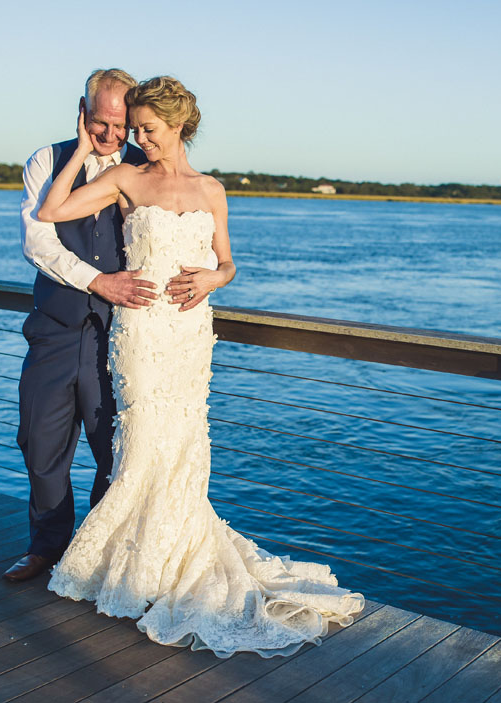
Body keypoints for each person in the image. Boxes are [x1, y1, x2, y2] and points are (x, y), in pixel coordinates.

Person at [37, 76, 364, 657]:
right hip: (140, 332)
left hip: (189, 334)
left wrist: (214, 277)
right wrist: (85, 149)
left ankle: (167, 562)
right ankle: (134, 568)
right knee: (141, 444)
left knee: (184, 443)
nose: (138, 138)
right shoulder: (126, 178)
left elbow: (229, 262)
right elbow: (53, 209)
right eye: (135, 128)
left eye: (148, 129)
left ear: (181, 126)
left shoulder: (211, 189)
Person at [5, 69, 153, 583]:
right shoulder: (46, 161)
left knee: (114, 446)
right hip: (54, 329)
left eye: (120, 124)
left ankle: (94, 554)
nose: (109, 135)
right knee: (39, 443)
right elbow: (38, 242)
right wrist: (98, 281)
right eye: (99, 122)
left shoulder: (143, 168)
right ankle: (46, 547)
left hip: (117, 337)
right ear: (82, 110)